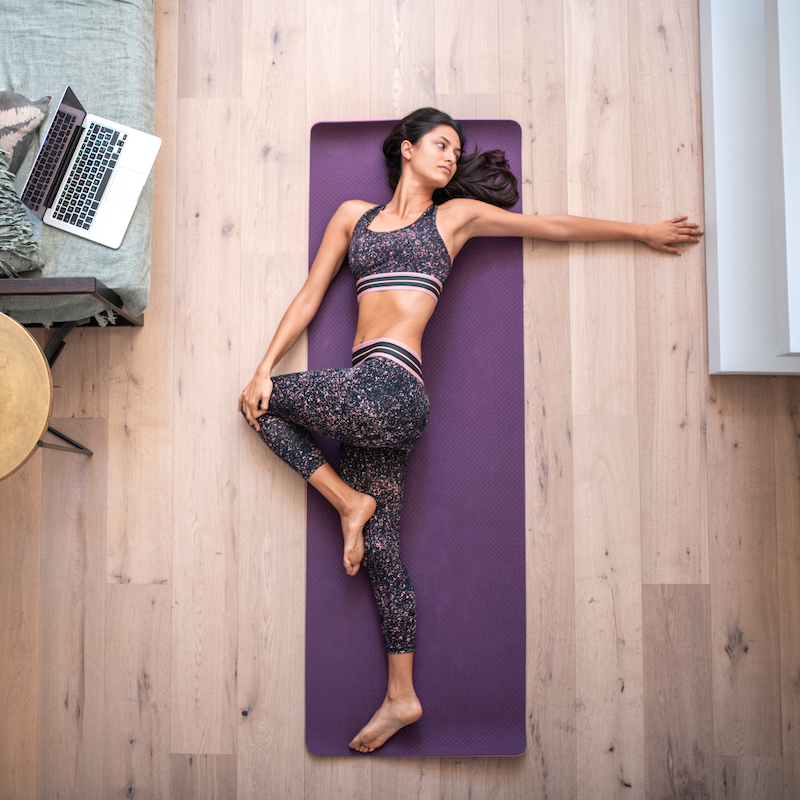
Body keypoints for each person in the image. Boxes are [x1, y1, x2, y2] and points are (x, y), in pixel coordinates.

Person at [239, 107, 703, 753]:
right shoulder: (354, 216)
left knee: (263, 410)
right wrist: (264, 365)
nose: (451, 157)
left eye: (457, 151)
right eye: (440, 144)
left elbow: (552, 225)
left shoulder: (454, 218)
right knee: (382, 555)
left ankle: (348, 500)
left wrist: (640, 230)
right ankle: (402, 695)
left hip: (394, 389)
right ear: (406, 148)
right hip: (369, 403)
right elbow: (310, 295)